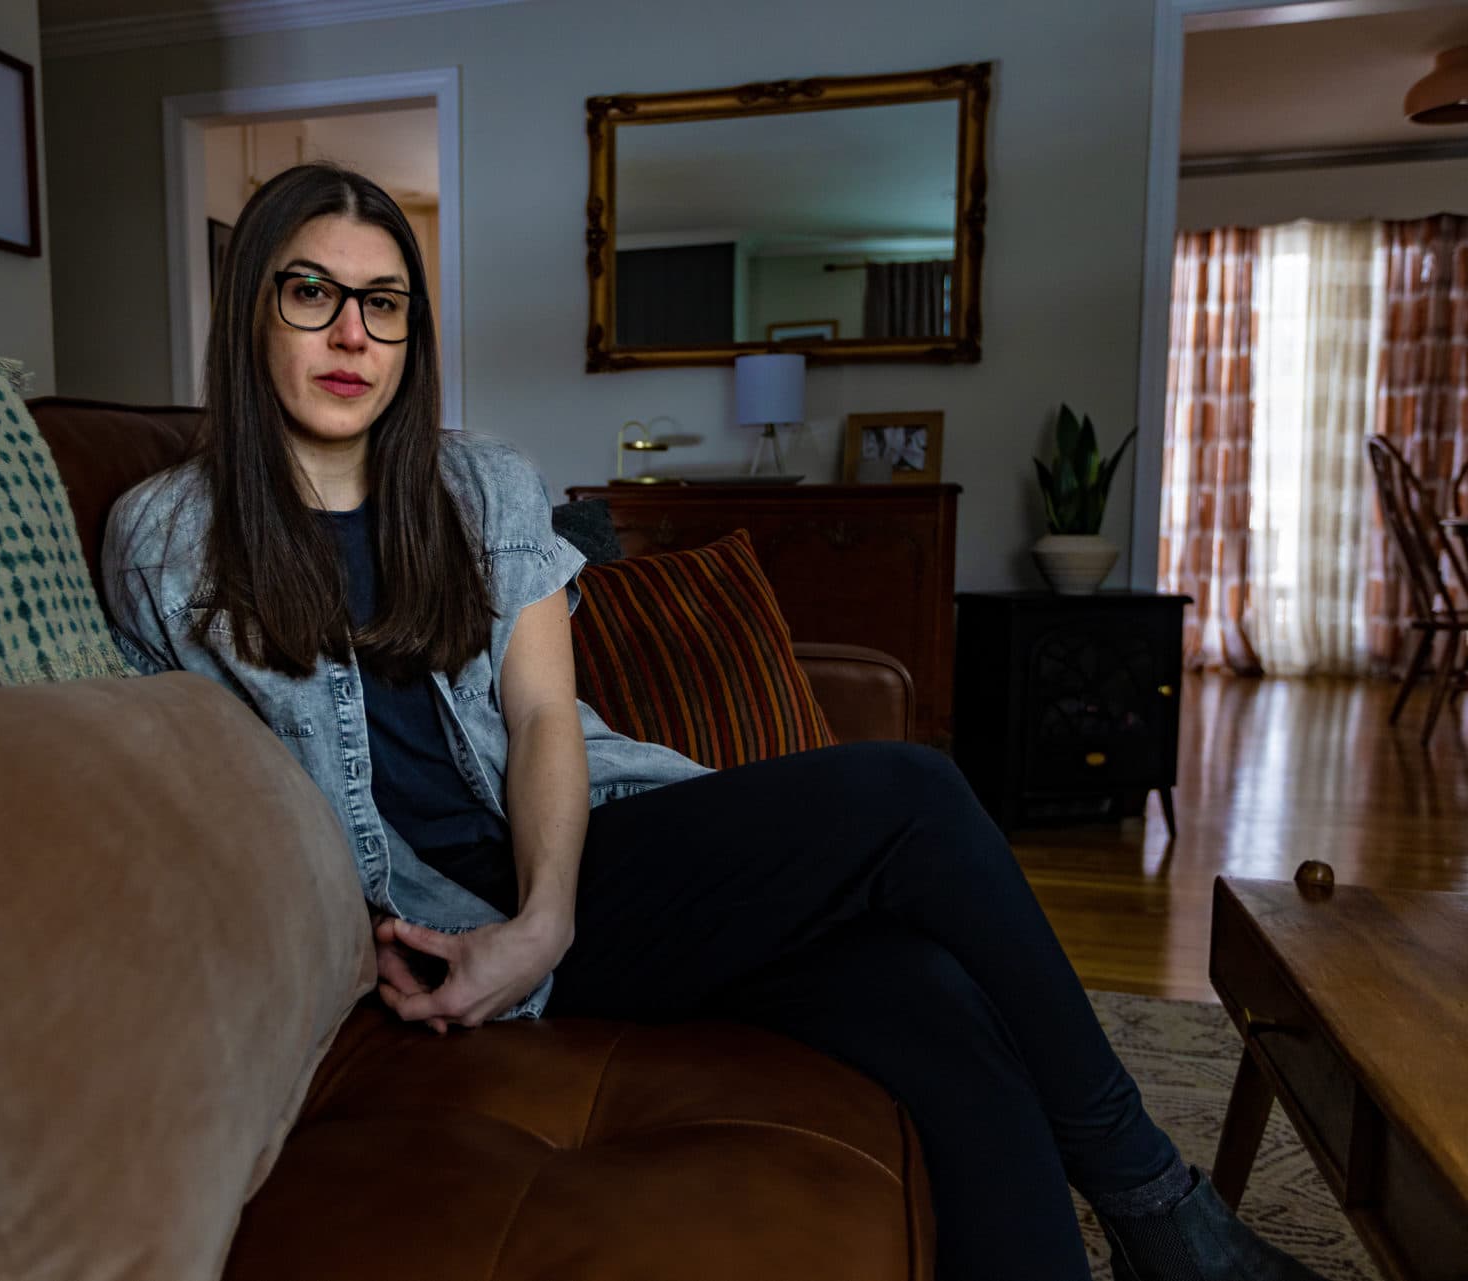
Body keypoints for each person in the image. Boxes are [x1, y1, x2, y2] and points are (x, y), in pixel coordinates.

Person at [102, 163, 1324, 1281]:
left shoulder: (481, 486)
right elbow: (201, 790)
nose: (353, 334)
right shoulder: (162, 539)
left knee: (936, 991)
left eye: (386, 303)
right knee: (912, 812)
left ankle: (1156, 1220)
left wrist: (547, 919)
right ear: (249, 307)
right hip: (433, 925)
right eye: (311, 293)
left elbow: (539, 719)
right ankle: (1163, 1211)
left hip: (576, 868)